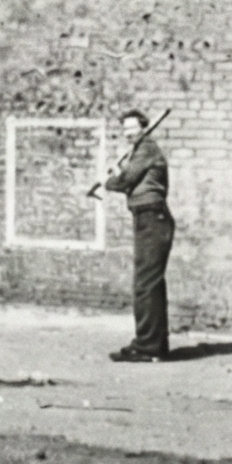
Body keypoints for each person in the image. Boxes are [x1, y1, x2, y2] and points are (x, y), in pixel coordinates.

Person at [97, 109, 172, 362]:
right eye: (125, 129)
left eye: (132, 128)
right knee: (151, 285)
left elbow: (126, 181)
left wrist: (109, 179)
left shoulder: (147, 149)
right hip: (147, 218)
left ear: (143, 127)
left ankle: (147, 348)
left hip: (153, 218)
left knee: (145, 286)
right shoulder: (140, 150)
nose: (128, 133)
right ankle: (154, 346)